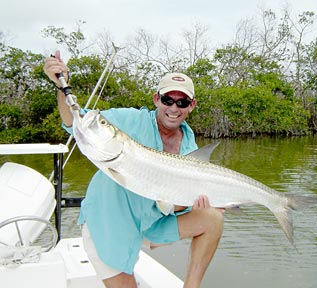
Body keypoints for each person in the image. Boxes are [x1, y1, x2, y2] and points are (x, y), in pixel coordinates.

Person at [43, 51, 224, 288]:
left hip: (151, 224)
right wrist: (60, 87)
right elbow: (73, 121)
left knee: (212, 218)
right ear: (156, 99)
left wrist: (193, 203)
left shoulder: (190, 147)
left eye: (182, 102)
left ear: (191, 106)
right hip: (108, 223)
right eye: (168, 100)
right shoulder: (127, 120)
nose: (174, 108)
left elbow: (174, 203)